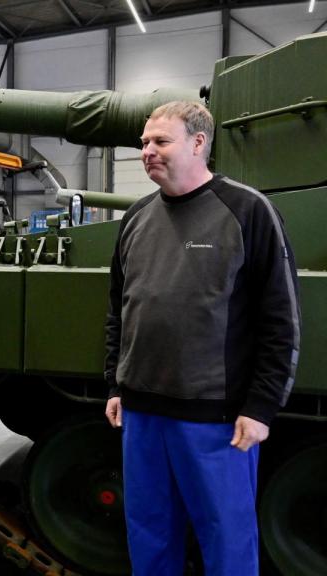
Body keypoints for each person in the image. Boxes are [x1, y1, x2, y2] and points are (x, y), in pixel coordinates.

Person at [104, 101, 300, 575]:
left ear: (198, 143)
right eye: (144, 142)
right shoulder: (135, 219)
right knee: (148, 533)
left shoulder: (248, 212)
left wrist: (260, 407)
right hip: (142, 414)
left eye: (160, 141)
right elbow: (118, 310)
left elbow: (282, 321)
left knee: (227, 540)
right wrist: (115, 383)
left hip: (217, 420)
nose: (147, 151)